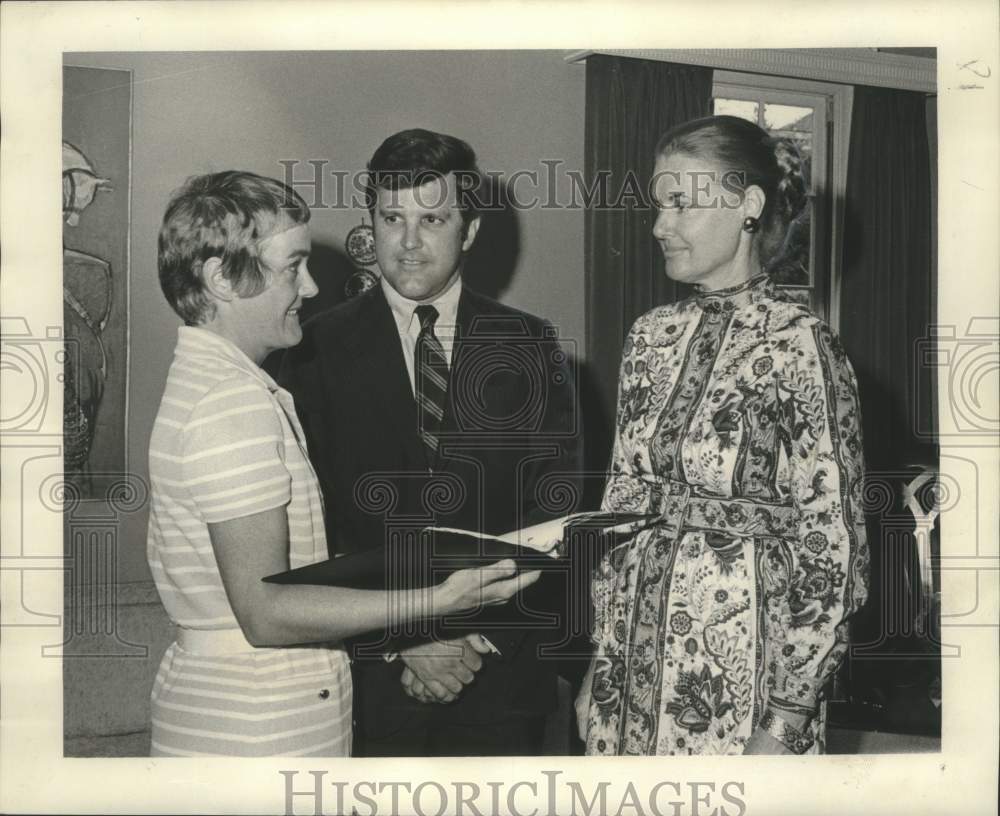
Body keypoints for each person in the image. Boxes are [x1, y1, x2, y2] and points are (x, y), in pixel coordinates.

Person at [146, 171, 539, 757]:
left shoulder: (221, 385)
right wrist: (437, 603)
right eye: (291, 267)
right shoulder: (229, 401)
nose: (308, 286)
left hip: (261, 714)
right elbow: (265, 613)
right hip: (254, 725)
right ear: (222, 277)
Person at [279, 129, 580, 756]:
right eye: (393, 218)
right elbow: (316, 521)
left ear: (468, 231)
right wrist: (407, 637)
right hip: (372, 680)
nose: (409, 242)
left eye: (433, 219)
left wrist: (473, 639)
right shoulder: (311, 349)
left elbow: (556, 511)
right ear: (372, 222)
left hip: (499, 677)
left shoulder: (529, 343)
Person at [576, 115, 869, 756]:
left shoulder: (802, 344)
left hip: (743, 676)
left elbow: (833, 547)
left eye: (681, 203)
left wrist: (787, 716)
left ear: (748, 206)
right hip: (627, 667)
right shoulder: (649, 335)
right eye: (659, 204)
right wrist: (598, 663)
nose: (659, 226)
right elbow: (619, 507)